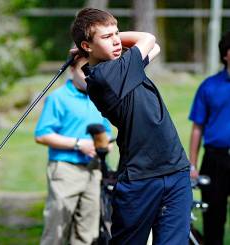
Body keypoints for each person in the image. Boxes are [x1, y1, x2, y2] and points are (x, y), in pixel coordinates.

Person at [70, 8, 192, 245]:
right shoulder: (104, 77)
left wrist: (102, 41)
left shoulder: (124, 67)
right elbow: (148, 40)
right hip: (140, 179)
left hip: (175, 169)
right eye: (107, 37)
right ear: (86, 46)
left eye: (117, 34)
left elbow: (152, 49)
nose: (116, 41)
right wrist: (97, 44)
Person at [35, 56, 112, 245]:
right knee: (56, 232)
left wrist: (105, 145)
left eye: (91, 70)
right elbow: (42, 135)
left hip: (94, 171)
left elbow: (107, 132)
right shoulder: (57, 98)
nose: (88, 76)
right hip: (65, 170)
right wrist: (78, 144)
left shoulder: (99, 98)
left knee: (88, 233)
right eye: (83, 71)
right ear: (71, 71)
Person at [189, 31, 230, 245]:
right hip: (215, 160)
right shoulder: (209, 86)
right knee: (214, 217)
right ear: (226, 55)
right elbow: (197, 127)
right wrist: (192, 165)